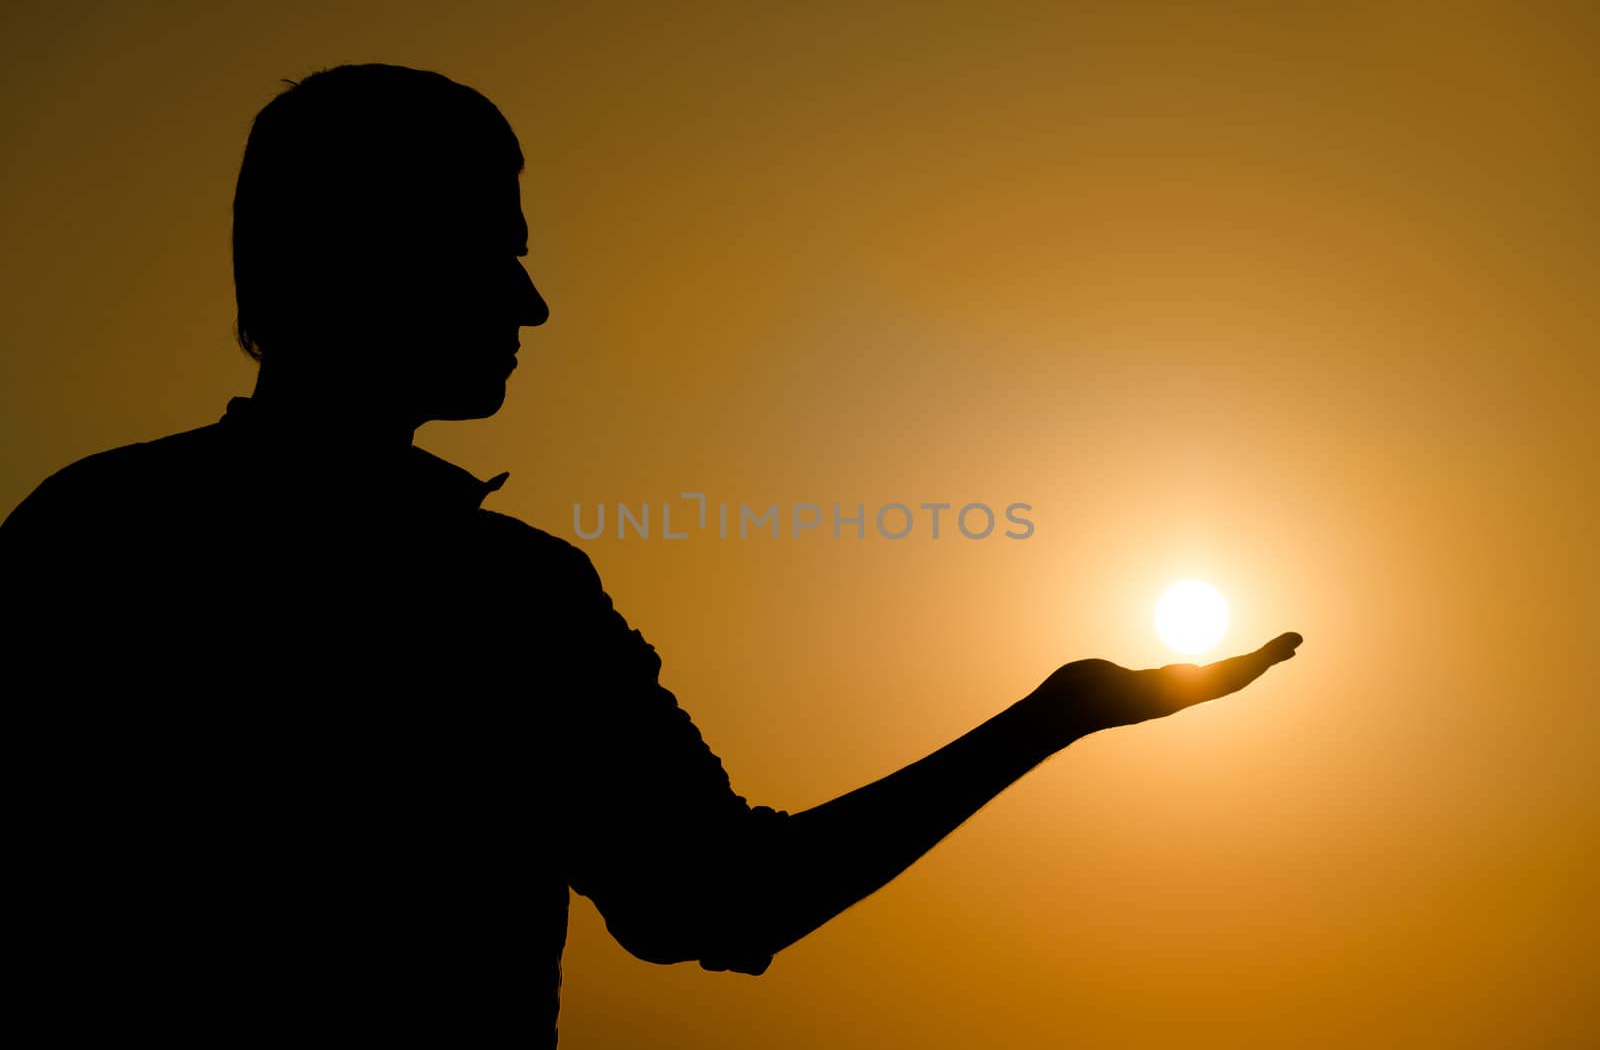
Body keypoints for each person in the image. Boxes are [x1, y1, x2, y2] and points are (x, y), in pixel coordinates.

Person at [0, 63, 1302, 1046]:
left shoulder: (84, 528)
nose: (531, 301)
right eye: (495, 249)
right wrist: (1055, 718)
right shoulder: (495, 600)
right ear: (371, 261)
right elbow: (722, 903)